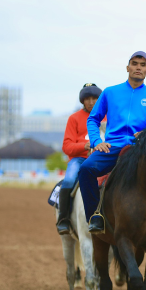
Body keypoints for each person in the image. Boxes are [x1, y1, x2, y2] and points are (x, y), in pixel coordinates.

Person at [78, 51, 146, 235]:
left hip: (142, 148)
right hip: (112, 146)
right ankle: (95, 216)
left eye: (142, 65)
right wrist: (96, 141)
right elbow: (93, 119)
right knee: (86, 169)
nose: (138, 68)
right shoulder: (110, 92)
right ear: (128, 68)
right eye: (134, 64)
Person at [55, 83, 102, 235]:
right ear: (82, 101)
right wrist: (85, 146)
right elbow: (67, 146)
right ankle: (64, 219)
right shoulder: (74, 118)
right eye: (87, 98)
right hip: (79, 160)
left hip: (103, 158)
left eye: (94, 98)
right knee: (68, 180)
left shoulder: (108, 116)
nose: (91, 102)